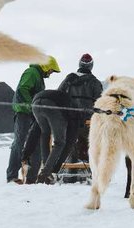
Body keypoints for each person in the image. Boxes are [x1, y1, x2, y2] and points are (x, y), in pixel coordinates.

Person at [31, 53, 103, 183]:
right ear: (91, 66)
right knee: (82, 144)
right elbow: (99, 102)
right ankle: (85, 173)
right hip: (85, 119)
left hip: (65, 115)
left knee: (55, 140)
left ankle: (51, 171)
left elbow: (59, 94)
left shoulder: (69, 79)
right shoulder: (95, 82)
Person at [6, 55, 59, 183]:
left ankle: (32, 178)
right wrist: (32, 106)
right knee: (19, 142)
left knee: (36, 145)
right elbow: (23, 89)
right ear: (46, 66)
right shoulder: (31, 72)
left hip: (33, 115)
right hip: (24, 113)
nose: (50, 74)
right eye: (51, 70)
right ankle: (12, 176)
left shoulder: (38, 76)